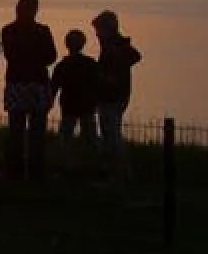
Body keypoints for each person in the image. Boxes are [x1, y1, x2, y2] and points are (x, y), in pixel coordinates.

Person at [1, 0, 57, 183]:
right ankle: (36, 171)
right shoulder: (43, 31)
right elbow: (51, 56)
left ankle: (14, 172)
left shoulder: (8, 30)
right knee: (37, 130)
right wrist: (36, 60)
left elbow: (9, 55)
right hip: (37, 83)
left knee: (15, 129)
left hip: (16, 82)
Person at [92, 10, 142, 182]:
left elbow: (134, 56)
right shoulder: (111, 45)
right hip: (111, 95)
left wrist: (110, 77)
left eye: (98, 30)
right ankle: (112, 171)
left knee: (112, 135)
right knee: (108, 134)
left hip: (113, 96)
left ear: (107, 29)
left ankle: (120, 172)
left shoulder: (114, 46)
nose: (97, 34)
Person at [50, 29, 100, 161]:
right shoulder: (91, 63)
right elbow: (98, 84)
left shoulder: (62, 65)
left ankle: (66, 162)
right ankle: (94, 161)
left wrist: (49, 102)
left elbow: (54, 87)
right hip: (87, 105)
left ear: (67, 44)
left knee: (66, 136)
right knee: (90, 136)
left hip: (69, 105)